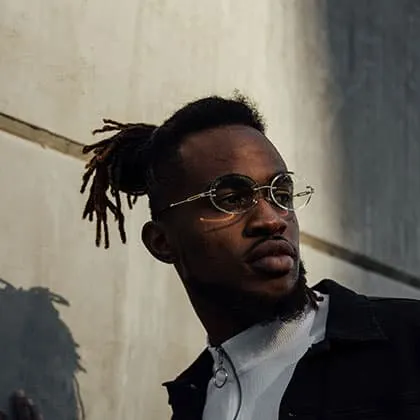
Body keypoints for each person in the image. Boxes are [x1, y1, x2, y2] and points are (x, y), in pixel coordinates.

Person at [78, 94, 420, 419]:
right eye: (231, 199)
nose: (271, 220)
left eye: (281, 194)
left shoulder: (408, 343)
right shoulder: (192, 402)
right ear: (162, 242)